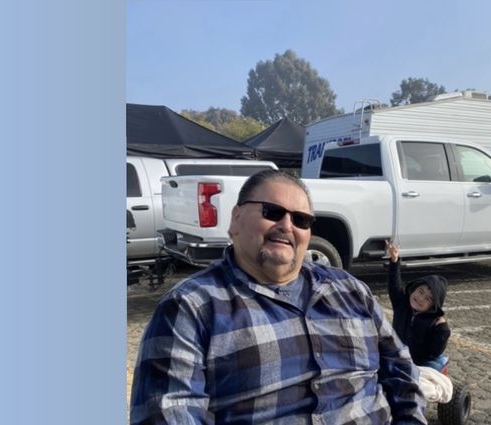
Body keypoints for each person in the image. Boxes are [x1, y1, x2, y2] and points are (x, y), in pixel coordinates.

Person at [130, 170, 427, 425]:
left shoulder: (351, 291)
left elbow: (400, 367)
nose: (287, 225)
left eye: (301, 219)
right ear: (235, 219)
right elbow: (168, 413)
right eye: (272, 212)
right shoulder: (190, 307)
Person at [385, 240, 451, 371]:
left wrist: (442, 330)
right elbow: (394, 285)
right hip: (398, 354)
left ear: (433, 306)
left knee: (434, 369)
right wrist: (394, 260)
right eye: (420, 291)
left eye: (428, 298)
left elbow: (434, 352)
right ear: (414, 289)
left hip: (421, 362)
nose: (420, 298)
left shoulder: (433, 322)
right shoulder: (401, 304)